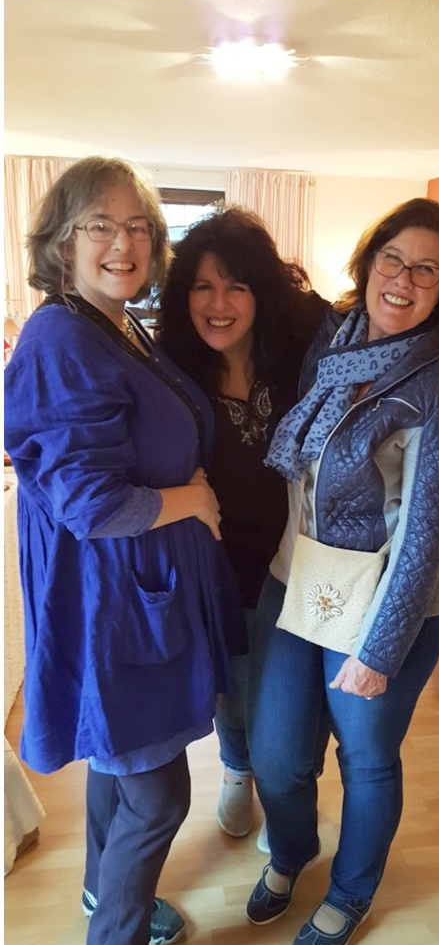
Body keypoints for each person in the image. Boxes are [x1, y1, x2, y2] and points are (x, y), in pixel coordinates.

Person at [4, 156, 242, 945]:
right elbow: (91, 502)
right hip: (111, 599)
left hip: (138, 590)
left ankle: (103, 889)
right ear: (62, 240)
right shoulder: (62, 339)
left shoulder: (112, 323)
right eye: (101, 225)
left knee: (123, 757)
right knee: (159, 790)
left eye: (139, 226)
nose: (124, 242)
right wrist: (192, 501)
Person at [244, 198, 439, 945]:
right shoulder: (333, 344)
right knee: (276, 755)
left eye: (426, 270)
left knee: (367, 758)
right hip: (295, 579)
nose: (403, 280)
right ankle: (293, 850)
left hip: (386, 604)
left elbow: (424, 538)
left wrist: (379, 651)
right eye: (393, 259)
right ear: (369, 261)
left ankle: (350, 893)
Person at [158, 207, 326, 839]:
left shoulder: (299, 356)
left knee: (289, 697)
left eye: (236, 286)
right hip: (215, 561)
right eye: (203, 286)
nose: (218, 304)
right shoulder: (173, 368)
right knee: (234, 681)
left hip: (296, 558)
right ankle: (237, 769)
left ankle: (286, 786)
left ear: (262, 291)